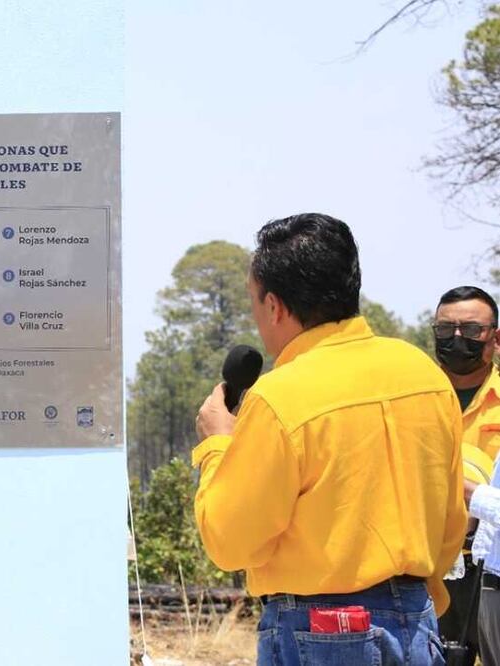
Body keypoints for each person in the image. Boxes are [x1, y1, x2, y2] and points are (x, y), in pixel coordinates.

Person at [193, 213, 466, 665]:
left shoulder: (280, 397)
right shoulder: (424, 375)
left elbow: (229, 541)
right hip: (417, 618)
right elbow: (449, 523)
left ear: (275, 306)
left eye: (254, 303)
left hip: (319, 628)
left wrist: (218, 445)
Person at [432, 286, 500, 662]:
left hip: (491, 566)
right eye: (446, 329)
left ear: (495, 336)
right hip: (428, 563)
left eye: (472, 330)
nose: (457, 338)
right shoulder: (415, 400)